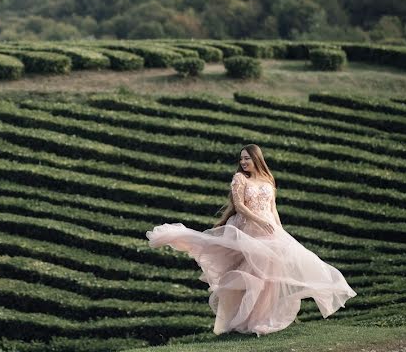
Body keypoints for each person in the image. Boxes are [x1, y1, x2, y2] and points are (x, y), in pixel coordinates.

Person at [145, 144, 357, 337]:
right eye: (241, 159)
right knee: (254, 276)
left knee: (273, 276)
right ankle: (243, 319)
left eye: (247, 158)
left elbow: (273, 208)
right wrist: (259, 220)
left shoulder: (268, 179)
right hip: (248, 230)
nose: (243, 162)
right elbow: (239, 206)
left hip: (269, 230)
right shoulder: (240, 179)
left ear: (257, 158)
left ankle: (261, 319)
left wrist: (280, 232)